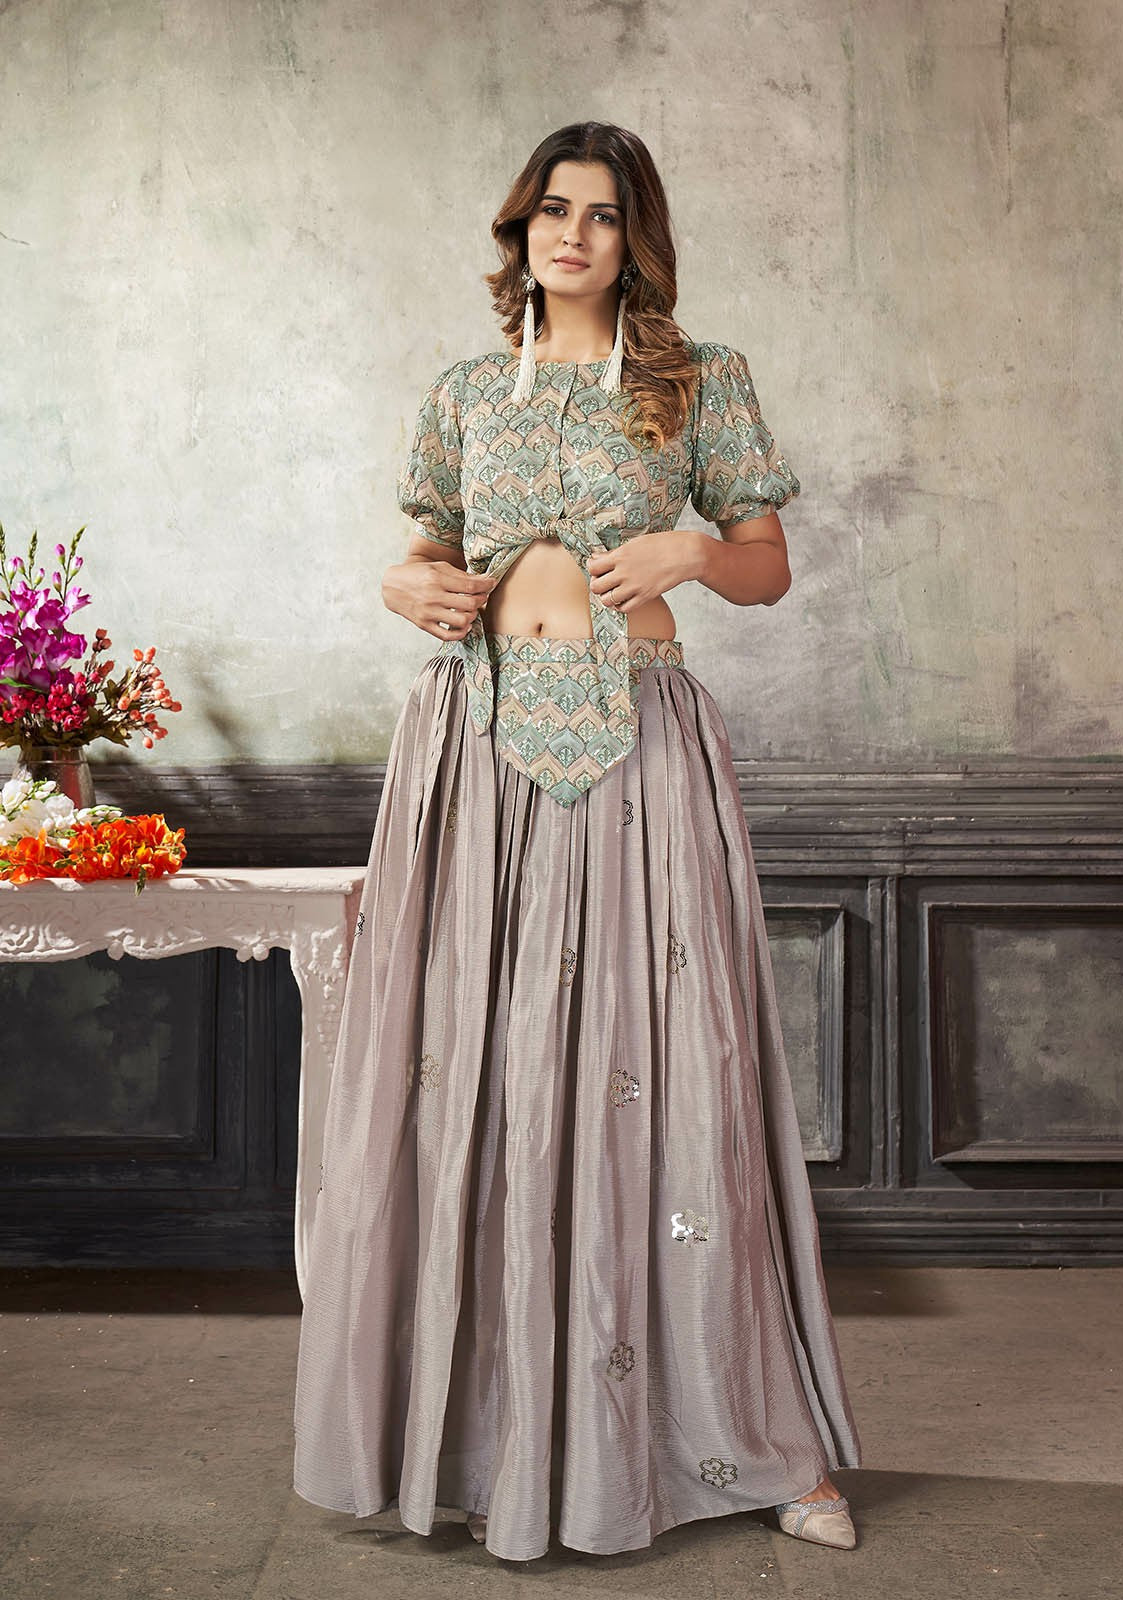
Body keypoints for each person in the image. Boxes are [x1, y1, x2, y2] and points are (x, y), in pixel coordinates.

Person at [292, 120, 862, 1562]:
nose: (573, 233)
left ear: (634, 238)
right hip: (474, 749)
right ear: (521, 228)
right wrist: (401, 585)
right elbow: (428, 554)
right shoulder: (464, 393)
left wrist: (694, 554)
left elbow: (768, 566)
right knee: (469, 1077)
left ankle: (751, 1440)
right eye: (553, 208)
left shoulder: (698, 380)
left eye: (603, 214)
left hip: (638, 741)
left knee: (665, 1068)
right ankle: (479, 1442)